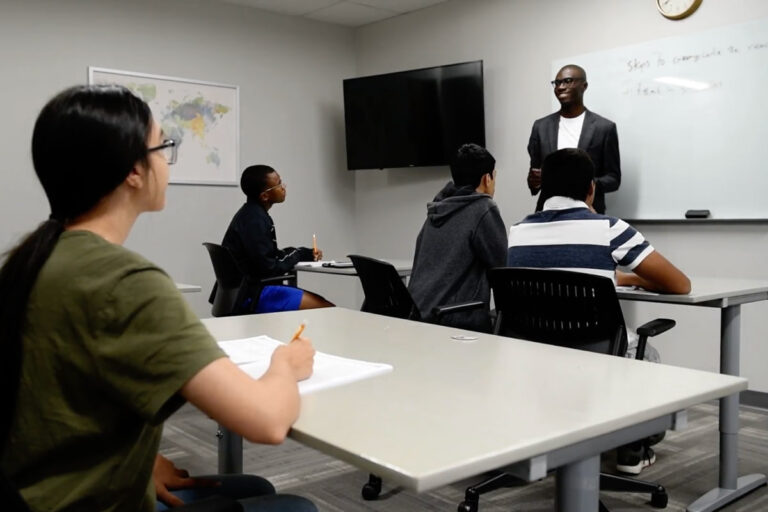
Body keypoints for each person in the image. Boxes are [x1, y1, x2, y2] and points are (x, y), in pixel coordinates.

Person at [0, 85, 317, 512]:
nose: (165, 162)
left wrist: (143, 460)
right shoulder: (128, 283)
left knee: (253, 486)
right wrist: (286, 366)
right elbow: (268, 421)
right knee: (297, 507)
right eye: (163, 148)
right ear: (134, 170)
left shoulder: (30, 262)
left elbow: (58, 401)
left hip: (36, 490)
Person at [508, 147, 690, 475]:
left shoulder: (518, 232)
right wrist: (637, 278)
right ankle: (632, 448)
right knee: (647, 353)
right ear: (591, 188)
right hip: (595, 356)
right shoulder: (607, 228)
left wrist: (618, 276)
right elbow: (680, 284)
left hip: (534, 359)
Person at [408, 143, 507, 333]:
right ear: (487, 178)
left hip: (418, 318)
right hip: (457, 323)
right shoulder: (484, 208)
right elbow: (503, 271)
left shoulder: (436, 210)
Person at [222, 165, 333, 312]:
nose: (283, 187)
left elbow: (268, 256)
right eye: (279, 184)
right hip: (254, 293)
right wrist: (298, 254)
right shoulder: (255, 221)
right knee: (328, 309)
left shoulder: (249, 214)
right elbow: (270, 267)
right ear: (265, 196)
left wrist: (304, 253)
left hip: (244, 291)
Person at [526, 64, 620, 214]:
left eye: (567, 81)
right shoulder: (541, 127)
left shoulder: (604, 128)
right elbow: (534, 177)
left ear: (584, 86)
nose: (561, 87)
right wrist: (534, 181)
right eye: (557, 83)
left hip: (589, 213)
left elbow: (614, 179)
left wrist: (582, 182)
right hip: (548, 215)